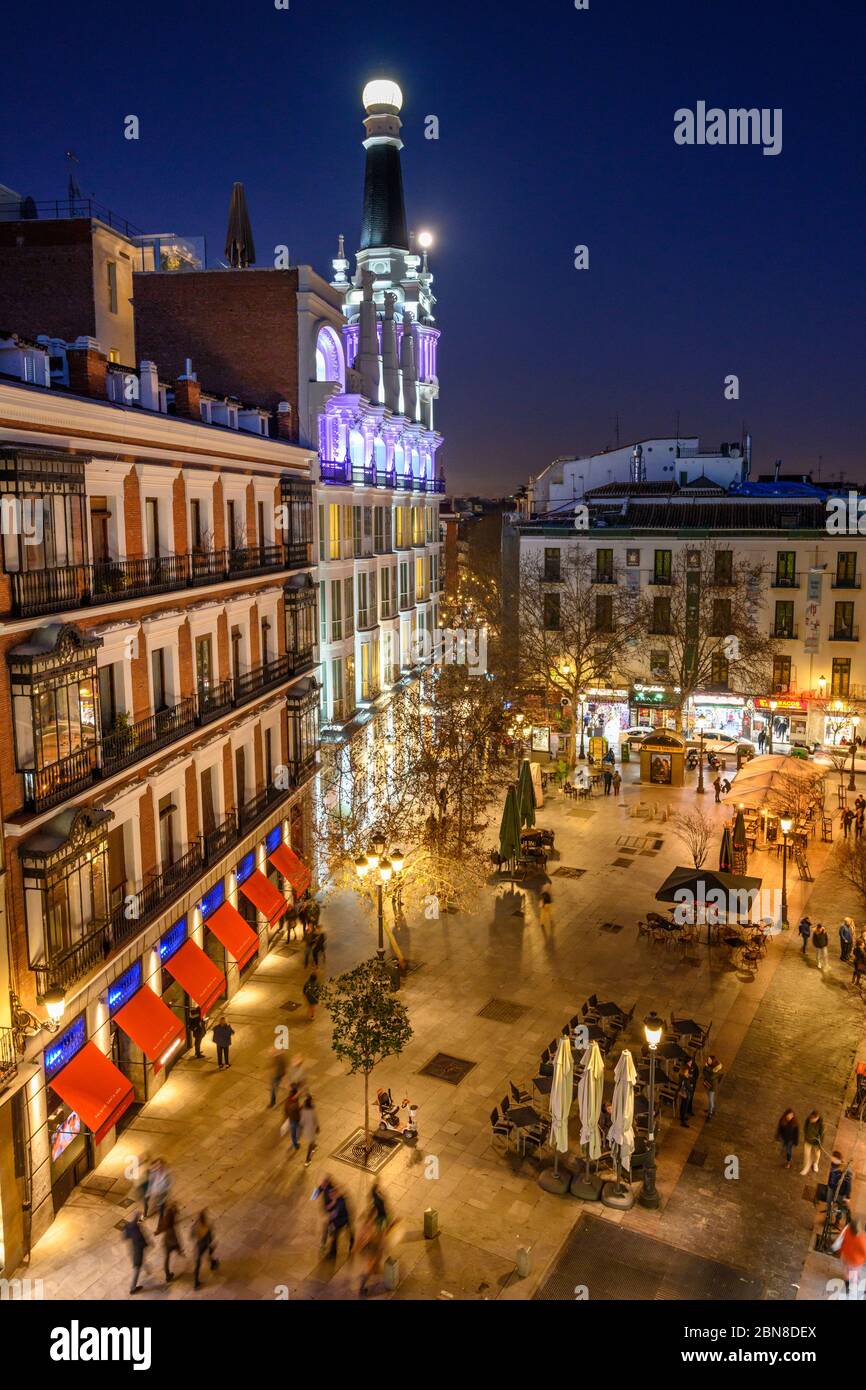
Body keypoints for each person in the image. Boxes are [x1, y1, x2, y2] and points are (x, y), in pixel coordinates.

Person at [832, 1217, 866, 1299]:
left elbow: (842, 1240)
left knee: (846, 1272)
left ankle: (848, 1283)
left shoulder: (847, 1230)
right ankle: (854, 1287)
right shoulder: (862, 1239)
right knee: (853, 1274)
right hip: (855, 1261)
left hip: (845, 1256)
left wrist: (839, 1250)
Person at [324, 1183, 355, 1260]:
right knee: (336, 1237)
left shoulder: (341, 1201)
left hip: (343, 1220)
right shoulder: (336, 1200)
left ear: (335, 1194)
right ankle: (333, 1253)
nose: (330, 1196)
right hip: (339, 1221)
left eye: (332, 1194)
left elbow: (336, 1211)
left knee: (346, 1233)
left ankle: (351, 1243)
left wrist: (332, 1214)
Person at [122, 1211, 151, 1294]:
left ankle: (146, 1269)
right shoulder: (137, 1229)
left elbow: (125, 1237)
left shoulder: (129, 1225)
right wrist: (147, 1244)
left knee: (140, 1262)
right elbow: (141, 1241)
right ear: (137, 1219)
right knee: (137, 1268)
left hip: (132, 1249)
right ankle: (132, 1288)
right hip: (137, 1251)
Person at [191, 1210, 219, 1290]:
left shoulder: (196, 1226)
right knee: (209, 1253)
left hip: (199, 1246)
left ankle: (196, 1282)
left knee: (198, 1263)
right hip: (206, 1245)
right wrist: (212, 1244)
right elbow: (210, 1237)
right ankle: (213, 1264)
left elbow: (192, 1235)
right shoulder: (207, 1226)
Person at [157, 1200, 183, 1283]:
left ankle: (168, 1275)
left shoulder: (167, 1223)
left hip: (166, 1243)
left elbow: (162, 1226)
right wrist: (179, 1249)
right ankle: (168, 1276)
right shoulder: (171, 1230)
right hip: (169, 1243)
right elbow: (175, 1240)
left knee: (166, 1258)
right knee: (167, 1257)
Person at [146, 1157, 171, 1225]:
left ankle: (160, 1223)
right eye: (157, 1165)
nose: (158, 1167)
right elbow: (151, 1182)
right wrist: (149, 1191)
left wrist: (162, 1191)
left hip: (162, 1194)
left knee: (161, 1208)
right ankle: (150, 1213)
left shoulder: (166, 1174)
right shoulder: (154, 1172)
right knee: (151, 1203)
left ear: (162, 1165)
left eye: (159, 1165)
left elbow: (168, 1186)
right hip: (154, 1192)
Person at [800, 1110, 824, 1175]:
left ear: (817, 1117)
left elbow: (822, 1135)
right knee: (806, 1154)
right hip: (808, 1141)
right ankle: (805, 1168)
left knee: (817, 1154)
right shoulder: (808, 1119)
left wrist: (819, 1145)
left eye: (813, 1119)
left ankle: (816, 1163)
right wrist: (807, 1135)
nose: (811, 1120)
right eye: (811, 1119)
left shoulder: (821, 1124)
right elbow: (805, 1127)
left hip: (816, 1142)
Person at [300, 1093, 319, 1167]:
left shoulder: (304, 1110)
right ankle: (307, 1160)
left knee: (312, 1141)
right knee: (310, 1143)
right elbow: (314, 1119)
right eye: (312, 1100)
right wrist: (317, 1127)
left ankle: (314, 1146)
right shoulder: (311, 1110)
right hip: (310, 1129)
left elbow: (302, 1121)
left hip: (306, 1129)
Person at [284, 1083, 302, 1153]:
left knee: (294, 1132)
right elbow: (296, 1110)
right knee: (294, 1133)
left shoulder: (290, 1100)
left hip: (293, 1118)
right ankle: (296, 1145)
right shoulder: (293, 1103)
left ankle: (296, 1143)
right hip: (294, 1119)